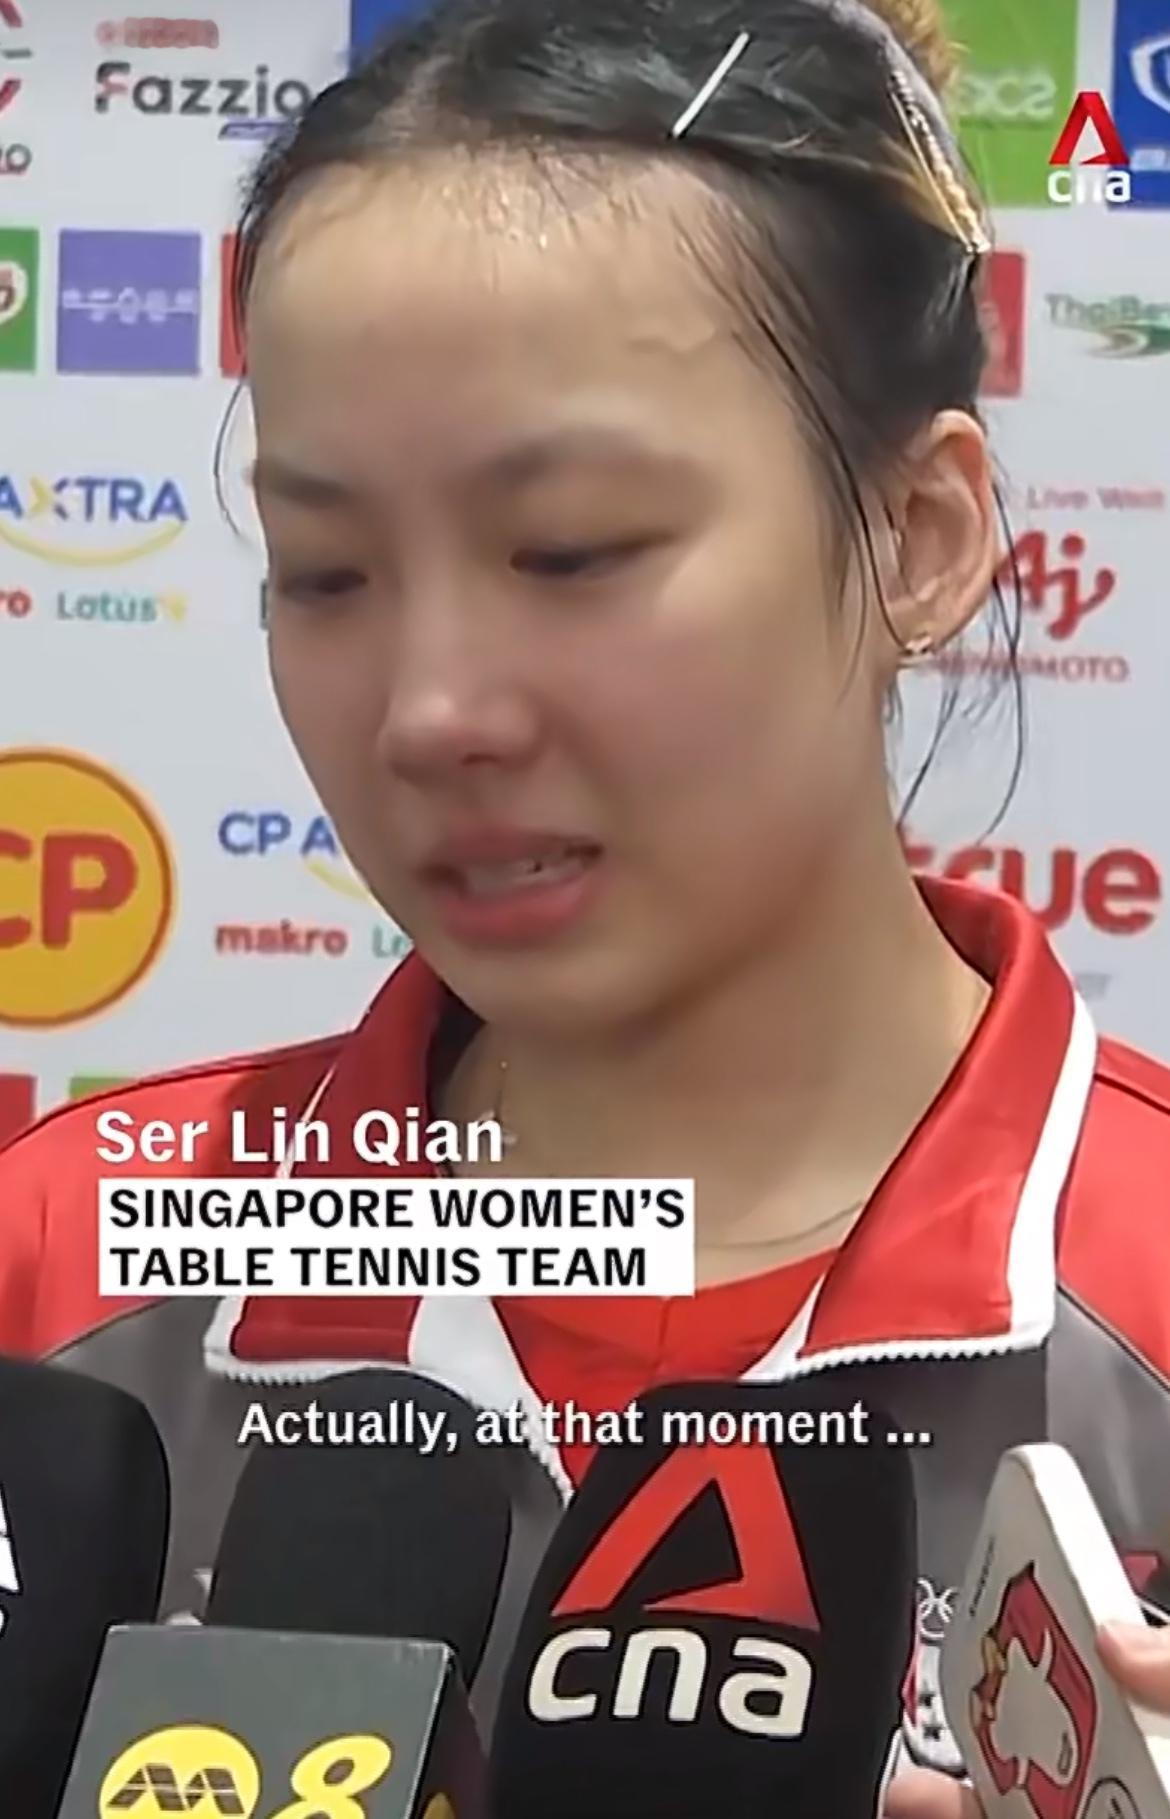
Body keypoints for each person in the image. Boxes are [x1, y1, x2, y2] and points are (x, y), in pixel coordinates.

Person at [2, 0, 1169, 1808]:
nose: (429, 712)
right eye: (327, 572)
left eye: (571, 552)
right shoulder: (70, 1270)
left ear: (920, 538)